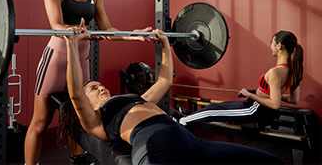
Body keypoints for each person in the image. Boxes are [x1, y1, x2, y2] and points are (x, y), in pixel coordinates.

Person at [63, 20, 283, 165]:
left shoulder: (134, 100)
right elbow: (74, 93)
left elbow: (165, 80)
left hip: (192, 142)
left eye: (100, 84)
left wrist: (166, 44)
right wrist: (73, 44)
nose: (101, 87)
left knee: (270, 162)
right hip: (155, 143)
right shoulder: (95, 120)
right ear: (87, 103)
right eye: (93, 88)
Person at [24, 0, 151, 165]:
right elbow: (55, 25)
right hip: (55, 60)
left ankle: (79, 159)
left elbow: (107, 30)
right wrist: (72, 30)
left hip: (80, 61)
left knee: (77, 116)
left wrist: (131, 35)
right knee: (40, 123)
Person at [179, 30, 303, 126]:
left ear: (279, 46)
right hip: (255, 106)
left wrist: (249, 94)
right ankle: (190, 116)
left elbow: (275, 104)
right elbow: (294, 100)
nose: (270, 45)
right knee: (218, 107)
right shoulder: (293, 70)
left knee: (214, 110)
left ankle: (182, 121)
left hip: (255, 110)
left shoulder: (276, 72)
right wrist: (269, 95)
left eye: (272, 43)